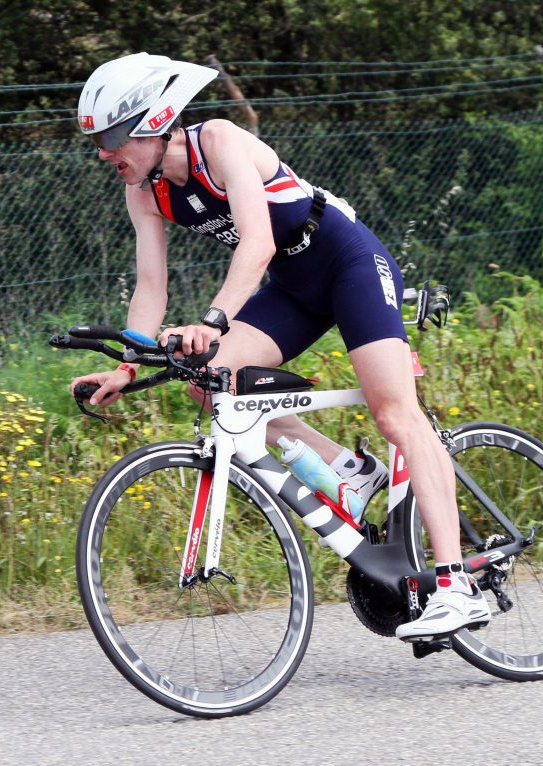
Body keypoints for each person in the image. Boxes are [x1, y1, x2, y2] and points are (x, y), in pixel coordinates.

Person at [70, 52, 490, 641]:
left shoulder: (218, 142)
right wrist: (125, 368)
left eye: (112, 137)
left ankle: (456, 588)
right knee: (209, 381)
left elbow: (259, 244)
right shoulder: (146, 190)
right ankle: (348, 473)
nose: (103, 153)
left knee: (395, 413)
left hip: (346, 261)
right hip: (294, 288)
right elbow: (150, 287)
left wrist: (213, 320)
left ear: (156, 120)